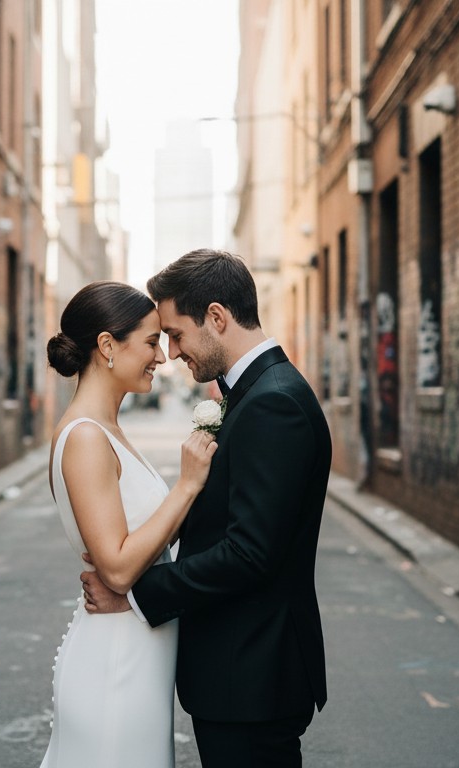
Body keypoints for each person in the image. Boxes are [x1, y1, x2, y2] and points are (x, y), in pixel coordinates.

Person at [81, 249, 330, 767]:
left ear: (216, 317)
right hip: (239, 676)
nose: (170, 352)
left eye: (175, 334)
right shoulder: (253, 394)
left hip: (253, 677)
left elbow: (250, 553)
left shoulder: (273, 403)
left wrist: (135, 594)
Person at [40, 280, 218, 768]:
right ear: (106, 346)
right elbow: (117, 570)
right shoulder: (85, 438)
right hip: (114, 665)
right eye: (150, 341)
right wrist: (186, 486)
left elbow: (143, 539)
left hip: (139, 655)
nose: (161, 357)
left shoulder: (109, 431)